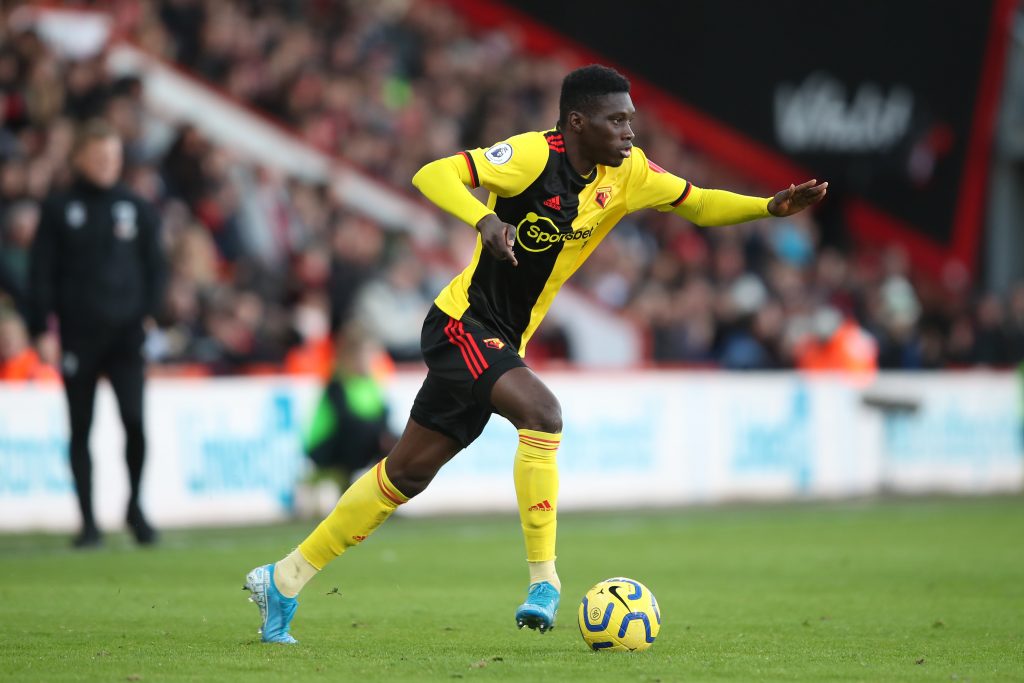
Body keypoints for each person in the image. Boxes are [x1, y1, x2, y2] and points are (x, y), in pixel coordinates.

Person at [244, 64, 826, 643]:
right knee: (542, 415)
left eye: (631, 120)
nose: (629, 132)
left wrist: (768, 207)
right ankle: (544, 581)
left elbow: (698, 203)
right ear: (577, 122)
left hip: (502, 337)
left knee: (406, 473)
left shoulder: (630, 174)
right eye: (615, 120)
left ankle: (285, 578)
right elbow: (432, 174)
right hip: (461, 324)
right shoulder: (530, 157)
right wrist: (484, 217)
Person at [28, 119, 166, 548]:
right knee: (80, 428)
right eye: (99, 157)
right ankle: (88, 521)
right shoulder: (58, 208)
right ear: (80, 159)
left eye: (113, 157)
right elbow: (41, 274)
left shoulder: (136, 207)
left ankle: (135, 507)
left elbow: (155, 267)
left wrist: (150, 314)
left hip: (126, 334)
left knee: (135, 422)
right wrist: (40, 328)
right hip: (78, 334)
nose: (108, 164)